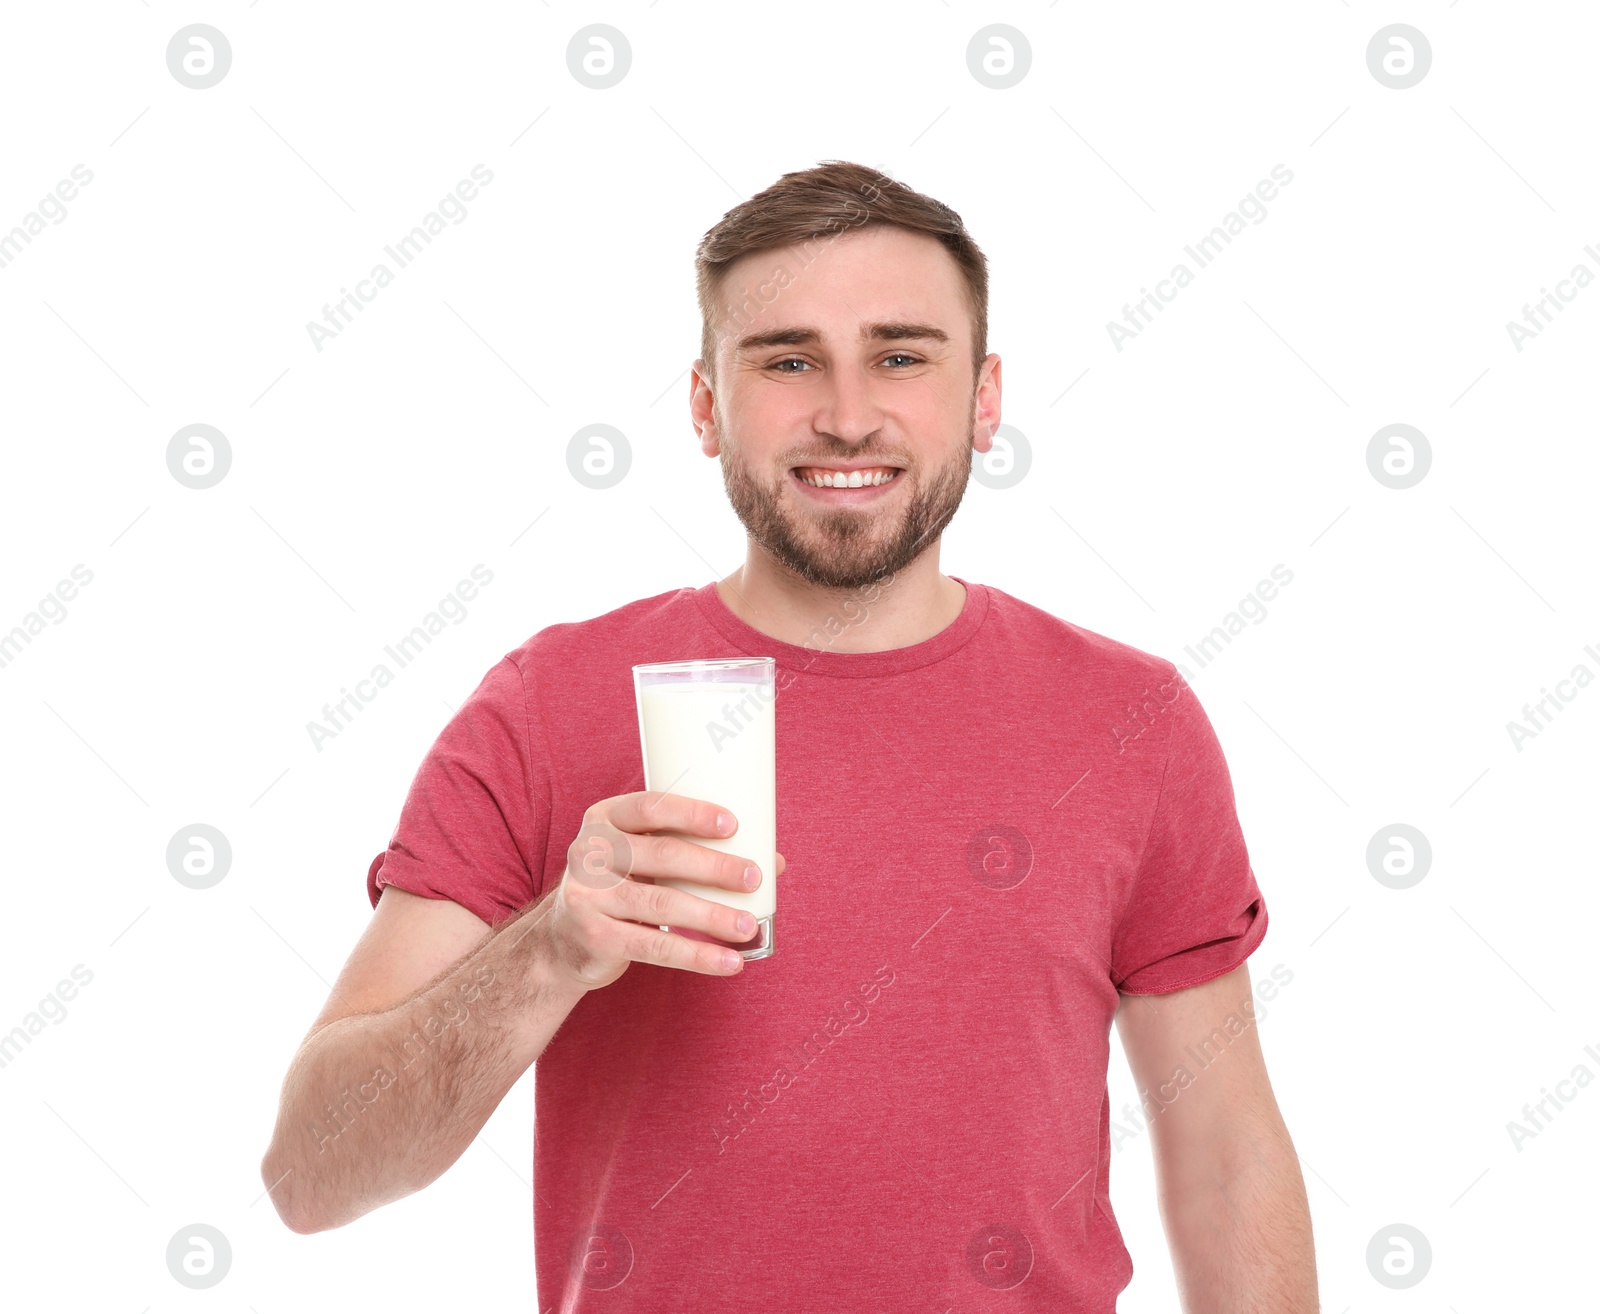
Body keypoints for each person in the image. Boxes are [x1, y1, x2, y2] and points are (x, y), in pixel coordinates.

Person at [260, 159, 1318, 1312]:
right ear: (707, 405)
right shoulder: (547, 706)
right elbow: (313, 1174)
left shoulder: (1134, 722)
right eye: (787, 360)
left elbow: (1224, 1156)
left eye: (902, 356)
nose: (848, 414)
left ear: (985, 398)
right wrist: (550, 950)